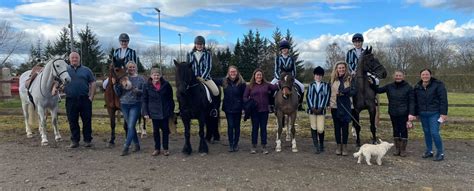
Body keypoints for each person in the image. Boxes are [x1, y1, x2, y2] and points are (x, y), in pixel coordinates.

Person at [376, 70, 415, 157]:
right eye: (396, 75)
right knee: (395, 129)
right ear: (394, 76)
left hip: (404, 113)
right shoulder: (389, 86)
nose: (398, 77)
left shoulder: (408, 87)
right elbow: (378, 90)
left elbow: (412, 101)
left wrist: (411, 113)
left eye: (400, 75)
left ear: (403, 76)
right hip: (393, 112)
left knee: (403, 130)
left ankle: (403, 149)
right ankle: (397, 149)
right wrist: (371, 82)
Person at [413, 69, 448, 161]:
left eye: (427, 74)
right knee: (427, 133)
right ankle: (429, 151)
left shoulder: (438, 84)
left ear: (430, 75)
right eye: (423, 74)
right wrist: (416, 113)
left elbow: (443, 99)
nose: (425, 76)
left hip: (434, 113)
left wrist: (443, 113)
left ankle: (440, 152)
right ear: (420, 76)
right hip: (422, 114)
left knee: (434, 132)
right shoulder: (417, 86)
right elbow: (415, 101)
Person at [64, 52, 96, 148]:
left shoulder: (87, 70)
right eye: (72, 58)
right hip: (70, 99)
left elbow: (93, 82)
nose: (74, 59)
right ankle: (75, 141)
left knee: (86, 120)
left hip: (84, 99)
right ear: (69, 59)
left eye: (76, 57)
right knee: (72, 120)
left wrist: (91, 96)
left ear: (79, 59)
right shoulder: (65, 70)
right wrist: (55, 88)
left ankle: (87, 140)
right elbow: (58, 81)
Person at [114, 61, 146, 156]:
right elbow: (118, 93)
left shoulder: (140, 79)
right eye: (129, 67)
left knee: (131, 126)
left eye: (133, 67)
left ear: (136, 68)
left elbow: (145, 92)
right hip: (124, 104)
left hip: (135, 104)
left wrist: (138, 91)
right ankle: (136, 145)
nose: (131, 68)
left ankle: (126, 147)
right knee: (130, 126)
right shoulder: (123, 78)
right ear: (127, 69)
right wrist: (116, 85)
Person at [243, 68, 278, 154]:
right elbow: (244, 97)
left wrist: (281, 79)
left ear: (262, 76)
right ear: (254, 76)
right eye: (257, 75)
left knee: (263, 128)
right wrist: (250, 103)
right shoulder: (250, 86)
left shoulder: (267, 85)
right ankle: (253, 145)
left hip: (264, 110)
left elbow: (276, 87)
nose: (259, 76)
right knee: (255, 128)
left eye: (260, 75)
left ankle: (264, 146)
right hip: (254, 111)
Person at [142, 68, 174, 156]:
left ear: (160, 76)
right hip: (153, 112)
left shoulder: (166, 85)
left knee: (165, 131)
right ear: (151, 76)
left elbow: (170, 99)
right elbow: (144, 100)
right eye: (154, 75)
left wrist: (171, 111)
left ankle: (166, 148)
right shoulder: (146, 86)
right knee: (155, 132)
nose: (156, 76)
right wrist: (145, 112)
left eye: (158, 75)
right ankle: (157, 149)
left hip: (164, 112)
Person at [214, 66, 247, 152]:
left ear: (237, 72)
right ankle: (231, 144)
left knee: (237, 127)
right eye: (231, 72)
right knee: (230, 126)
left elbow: (244, 96)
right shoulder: (224, 81)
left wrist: (244, 108)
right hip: (228, 108)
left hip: (238, 108)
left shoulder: (242, 83)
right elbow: (213, 80)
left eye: (234, 72)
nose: (233, 73)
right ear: (228, 73)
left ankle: (236, 144)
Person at [329, 61, 356, 156]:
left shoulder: (350, 79)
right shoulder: (332, 80)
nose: (341, 69)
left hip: (346, 106)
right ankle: (338, 145)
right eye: (339, 68)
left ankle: (344, 146)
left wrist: (344, 92)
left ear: (345, 69)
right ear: (336, 69)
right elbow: (330, 92)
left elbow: (353, 91)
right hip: (335, 106)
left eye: (343, 68)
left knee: (345, 127)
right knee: (337, 127)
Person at [270, 40, 305, 111]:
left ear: (288, 49)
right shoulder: (278, 58)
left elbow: (294, 70)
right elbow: (276, 70)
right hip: (279, 77)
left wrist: (291, 77)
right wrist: (279, 78)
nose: (284, 49)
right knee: (270, 87)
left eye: (286, 48)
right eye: (283, 48)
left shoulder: (291, 58)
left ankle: (300, 105)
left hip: (290, 77)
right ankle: (271, 105)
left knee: (302, 86)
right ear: (281, 50)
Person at [306, 66, 331, 154]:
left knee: (320, 128)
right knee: (314, 127)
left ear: (322, 76)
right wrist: (312, 107)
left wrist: (321, 107)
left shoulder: (326, 85)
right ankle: (316, 146)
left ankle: (321, 144)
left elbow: (326, 96)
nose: (318, 76)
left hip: (321, 110)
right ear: (314, 75)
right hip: (312, 110)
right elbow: (308, 96)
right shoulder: (310, 85)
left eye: (320, 75)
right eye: (317, 75)